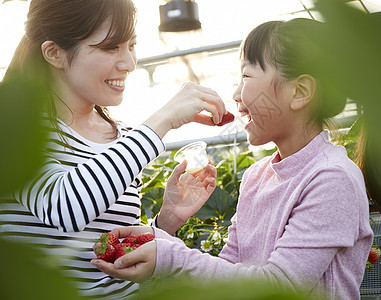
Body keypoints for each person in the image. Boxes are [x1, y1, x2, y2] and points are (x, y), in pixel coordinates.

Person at [92, 18, 381, 299]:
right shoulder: (257, 177)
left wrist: (171, 256)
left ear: (299, 93)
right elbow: (230, 272)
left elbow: (278, 286)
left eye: (246, 76)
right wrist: (160, 233)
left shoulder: (332, 178)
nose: (236, 94)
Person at [0, 0, 227, 299]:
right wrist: (163, 119)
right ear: (54, 53)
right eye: (111, 47)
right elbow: (63, 208)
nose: (129, 63)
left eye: (131, 45)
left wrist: (165, 222)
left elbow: (114, 266)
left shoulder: (124, 138)